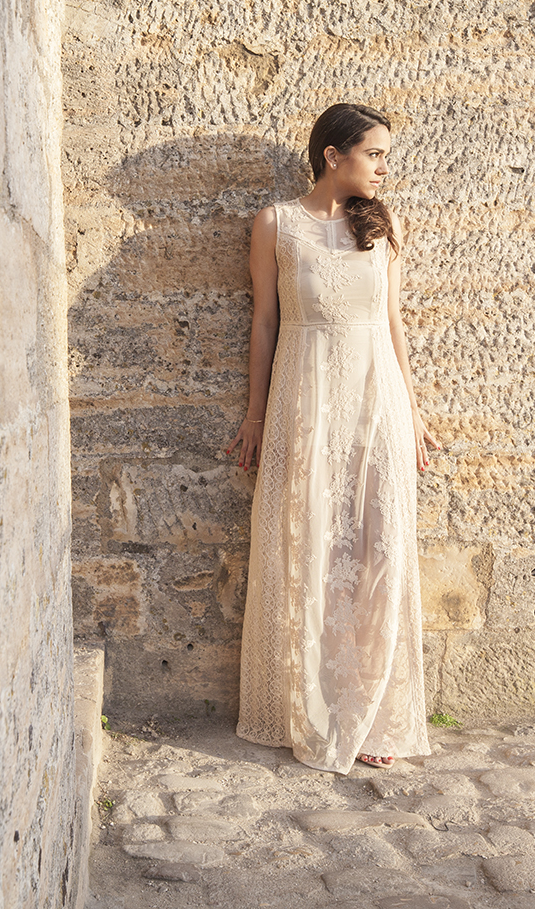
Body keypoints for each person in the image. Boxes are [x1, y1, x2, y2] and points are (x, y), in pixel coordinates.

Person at [226, 103, 438, 773]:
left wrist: (415, 409)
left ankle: (373, 712)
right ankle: (315, 710)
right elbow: (264, 323)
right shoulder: (276, 225)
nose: (382, 168)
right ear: (332, 156)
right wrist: (257, 415)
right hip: (306, 402)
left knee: (378, 551)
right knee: (309, 545)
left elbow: (393, 322)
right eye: (374, 154)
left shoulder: (384, 226)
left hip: (377, 405)